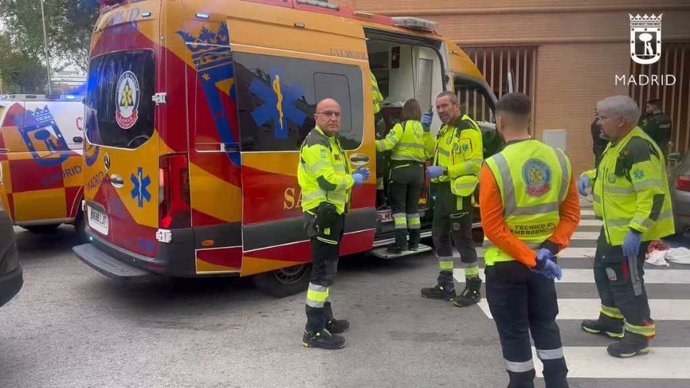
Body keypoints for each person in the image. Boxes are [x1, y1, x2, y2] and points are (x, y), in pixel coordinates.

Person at [480, 93, 579, 388]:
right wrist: (547, 251)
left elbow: (493, 227)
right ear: (530, 120)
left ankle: (522, 383)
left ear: (500, 122)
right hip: (545, 265)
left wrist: (529, 257)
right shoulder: (560, 158)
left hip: (506, 265)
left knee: (514, 332)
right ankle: (558, 383)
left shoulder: (494, 166)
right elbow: (572, 214)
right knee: (546, 325)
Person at [578, 95, 675, 358]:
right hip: (612, 229)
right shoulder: (618, 144)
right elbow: (610, 173)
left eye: (602, 117)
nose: (598, 123)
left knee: (626, 281)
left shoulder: (640, 147)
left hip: (628, 233)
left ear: (621, 121)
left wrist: (636, 231)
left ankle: (638, 334)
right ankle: (611, 320)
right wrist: (589, 177)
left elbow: (651, 195)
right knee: (604, 272)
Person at [297, 98, 370, 350]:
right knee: (321, 272)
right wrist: (354, 179)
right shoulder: (316, 144)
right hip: (322, 215)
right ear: (316, 117)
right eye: (327, 113)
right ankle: (313, 330)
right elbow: (328, 181)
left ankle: (325, 319)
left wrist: (353, 175)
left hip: (333, 214)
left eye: (337, 114)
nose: (334, 118)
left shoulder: (331, 142)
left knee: (327, 270)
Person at [421, 91, 484, 307]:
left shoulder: (467, 129)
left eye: (444, 106)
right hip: (443, 192)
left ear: (456, 105)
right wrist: (425, 131)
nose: (440, 111)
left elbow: (475, 163)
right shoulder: (445, 129)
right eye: (438, 107)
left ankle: (473, 286)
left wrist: (446, 170)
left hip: (458, 192)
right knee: (439, 236)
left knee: (463, 239)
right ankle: (445, 284)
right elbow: (432, 152)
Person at [375, 98, 434, 253]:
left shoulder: (400, 126)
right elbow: (430, 152)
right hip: (417, 174)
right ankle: (414, 243)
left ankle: (400, 244)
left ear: (404, 112)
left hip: (400, 172)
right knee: (413, 210)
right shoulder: (422, 129)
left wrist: (370, 142)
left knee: (399, 211)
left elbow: (386, 145)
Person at [370, 72, 388, 207]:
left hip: (375, 119)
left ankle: (380, 197)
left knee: (378, 157)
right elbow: (380, 100)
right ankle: (380, 197)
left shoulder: (367, 74)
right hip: (375, 117)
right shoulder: (371, 75)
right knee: (378, 158)